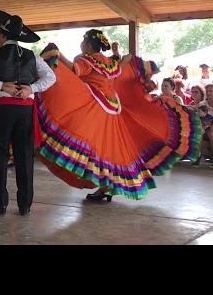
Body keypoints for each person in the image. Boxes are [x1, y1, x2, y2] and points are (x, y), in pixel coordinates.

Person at [35, 29, 201, 203]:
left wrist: (58, 55)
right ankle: (107, 188)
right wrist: (122, 59)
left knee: (92, 144)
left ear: (89, 45)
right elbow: (119, 70)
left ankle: (103, 185)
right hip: (113, 110)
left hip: (95, 108)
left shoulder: (86, 59)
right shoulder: (107, 61)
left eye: (83, 41)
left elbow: (74, 70)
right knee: (111, 151)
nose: (81, 44)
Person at [0, 9, 56, 216]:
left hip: (2, 109)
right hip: (25, 109)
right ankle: (25, 205)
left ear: (1, 36)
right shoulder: (32, 56)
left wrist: (1, 84)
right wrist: (31, 89)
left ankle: (0, 205)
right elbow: (51, 77)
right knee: (25, 156)